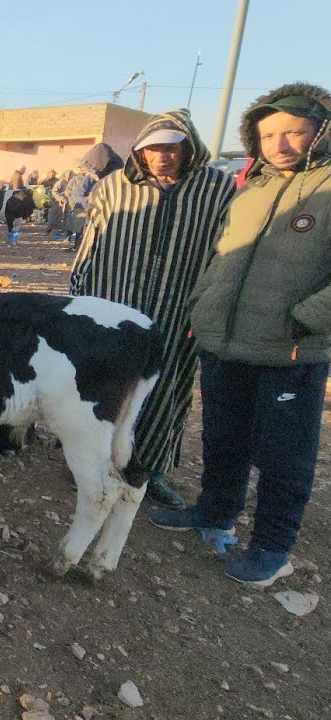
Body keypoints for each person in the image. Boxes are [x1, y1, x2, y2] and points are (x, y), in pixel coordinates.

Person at [152, 83, 331, 587]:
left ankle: (273, 545)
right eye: (269, 133)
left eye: (295, 132)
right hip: (225, 339)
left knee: (284, 453)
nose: (281, 143)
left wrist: (307, 317)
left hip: (291, 348)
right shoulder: (252, 189)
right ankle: (215, 511)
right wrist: (202, 306)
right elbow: (224, 255)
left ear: (321, 131)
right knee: (223, 435)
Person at [70, 109, 235, 509]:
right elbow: (91, 241)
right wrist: (78, 291)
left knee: (166, 385)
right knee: (102, 382)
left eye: (171, 146)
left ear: (188, 146)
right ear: (140, 151)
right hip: (115, 301)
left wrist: (210, 306)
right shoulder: (114, 187)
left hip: (178, 307)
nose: (162, 156)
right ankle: (90, 461)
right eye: (152, 148)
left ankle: (149, 470)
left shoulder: (217, 189)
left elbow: (225, 252)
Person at [62, 143, 123, 249]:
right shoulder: (96, 180)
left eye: (89, 170)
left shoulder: (117, 182)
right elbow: (78, 193)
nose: (88, 174)